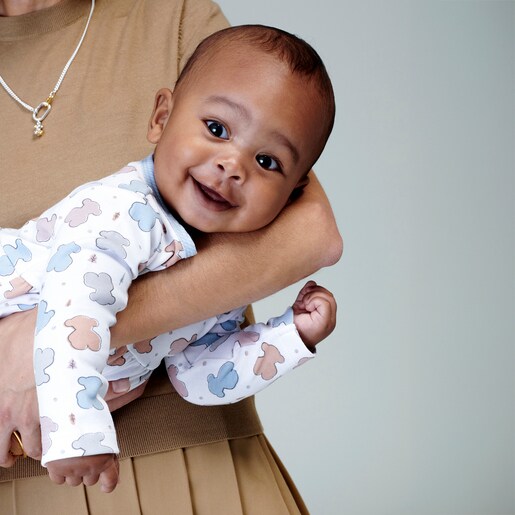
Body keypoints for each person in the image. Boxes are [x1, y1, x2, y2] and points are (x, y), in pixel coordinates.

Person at [0, 1, 342, 513]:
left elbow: (198, 376)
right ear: (161, 118)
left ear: (294, 193)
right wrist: (78, 431)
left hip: (173, 464)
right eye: (217, 130)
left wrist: (288, 336)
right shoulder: (123, 213)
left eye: (267, 161)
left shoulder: (174, 14)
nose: (232, 164)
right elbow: (74, 304)